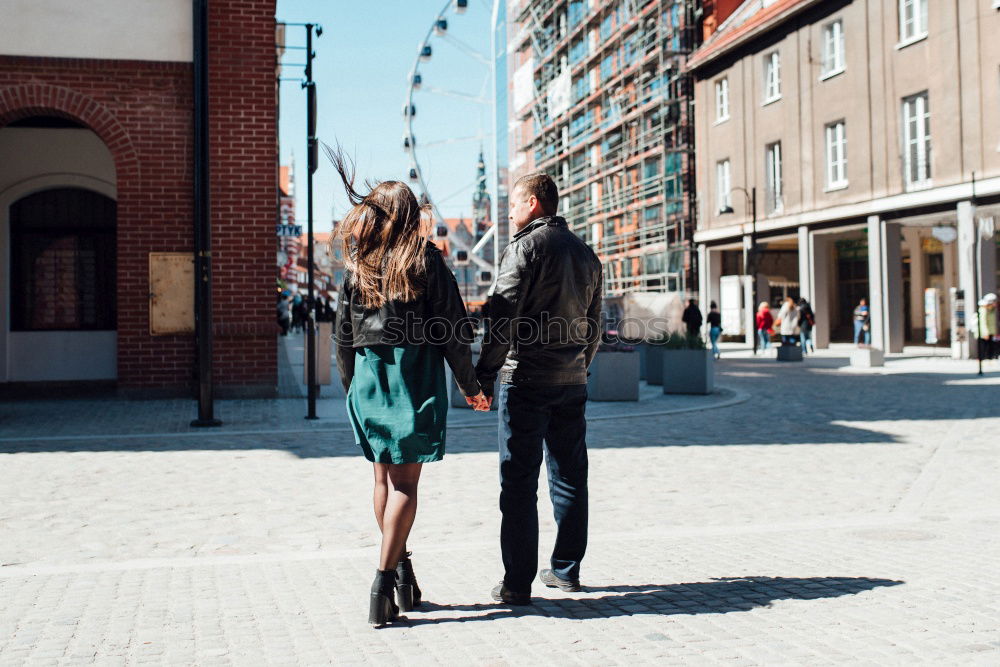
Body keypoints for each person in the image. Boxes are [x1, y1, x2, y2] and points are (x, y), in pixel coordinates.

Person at [330, 150, 490, 627]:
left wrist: (351, 389)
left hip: (368, 380)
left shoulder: (358, 269)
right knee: (405, 485)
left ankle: (403, 572)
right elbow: (454, 329)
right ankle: (382, 583)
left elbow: (341, 336)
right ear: (407, 218)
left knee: (382, 480)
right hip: (411, 377)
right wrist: (471, 385)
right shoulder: (424, 262)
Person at [476, 173, 602, 606]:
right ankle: (566, 570)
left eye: (512, 204)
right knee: (569, 476)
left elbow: (502, 316)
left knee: (518, 481)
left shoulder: (523, 248)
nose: (508, 213)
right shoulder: (586, 254)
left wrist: (485, 373)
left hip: (526, 378)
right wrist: (579, 366)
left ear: (532, 203)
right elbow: (594, 324)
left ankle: (517, 582)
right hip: (571, 380)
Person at [971, 293, 998, 360]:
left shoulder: (992, 310)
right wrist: (985, 333)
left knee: (991, 346)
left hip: (990, 331)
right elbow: (983, 323)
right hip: (984, 333)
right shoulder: (983, 310)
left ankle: (989, 359)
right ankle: (981, 359)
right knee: (983, 347)